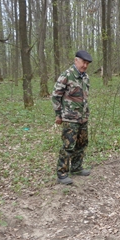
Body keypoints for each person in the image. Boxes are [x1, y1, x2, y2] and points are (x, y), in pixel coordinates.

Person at [51, 50, 93, 185]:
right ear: (76, 60)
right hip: (69, 118)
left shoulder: (85, 77)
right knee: (68, 145)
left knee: (82, 144)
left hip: (82, 118)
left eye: (87, 63)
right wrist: (58, 114)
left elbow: (84, 97)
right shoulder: (67, 75)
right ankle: (62, 174)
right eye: (83, 62)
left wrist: (86, 114)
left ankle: (76, 168)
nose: (85, 65)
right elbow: (56, 96)